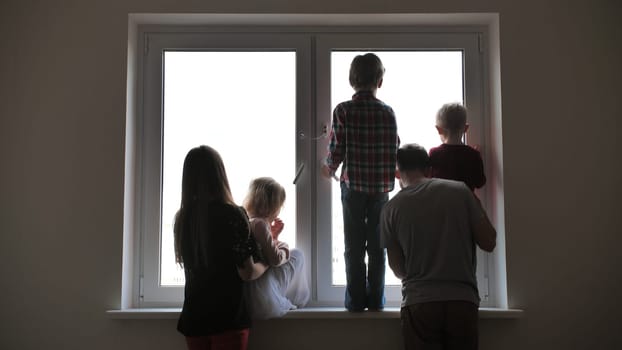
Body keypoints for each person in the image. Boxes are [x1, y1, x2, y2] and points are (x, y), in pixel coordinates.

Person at [380, 144, 497, 350]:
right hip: (462, 301)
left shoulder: (390, 209)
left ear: (397, 173)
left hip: (419, 303)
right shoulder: (460, 191)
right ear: (429, 170)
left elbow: (399, 269)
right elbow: (489, 241)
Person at [321, 53, 399, 312]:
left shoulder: (344, 110)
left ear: (352, 80)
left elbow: (337, 147)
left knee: (353, 246)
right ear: (380, 81)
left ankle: (355, 301)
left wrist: (328, 168)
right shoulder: (388, 112)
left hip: (353, 187)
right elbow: (393, 147)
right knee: (378, 246)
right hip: (380, 188)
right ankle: (376, 301)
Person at [174, 145, 267, 350]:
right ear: (219, 175)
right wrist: (266, 263)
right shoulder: (233, 215)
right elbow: (248, 272)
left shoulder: (182, 220)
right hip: (227, 318)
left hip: (194, 318)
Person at [243, 177, 310, 319]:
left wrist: (273, 237)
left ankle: (285, 297)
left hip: (250, 290)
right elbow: (274, 259)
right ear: (272, 206)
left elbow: (261, 252)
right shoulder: (260, 224)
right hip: (261, 291)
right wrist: (284, 247)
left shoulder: (248, 221)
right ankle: (296, 299)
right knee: (297, 255)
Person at [429, 103, 486, 191]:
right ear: (466, 128)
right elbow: (480, 182)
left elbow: (428, 179)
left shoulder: (434, 153)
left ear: (439, 130)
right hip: (465, 203)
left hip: (441, 203)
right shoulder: (473, 155)